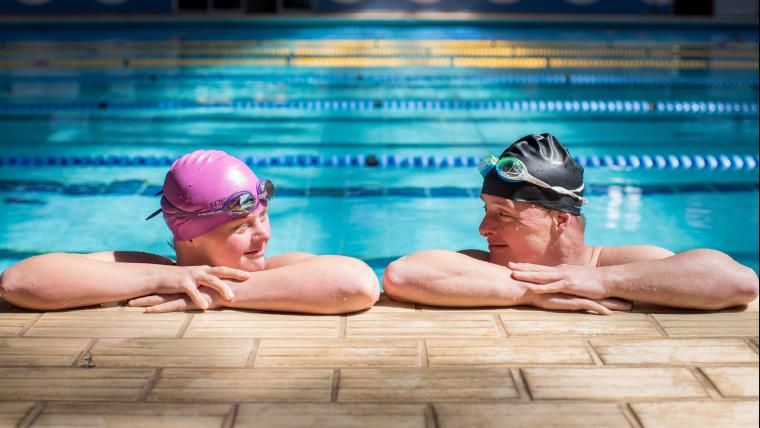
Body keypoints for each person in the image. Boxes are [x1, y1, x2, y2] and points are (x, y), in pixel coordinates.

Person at [383, 133, 758, 314]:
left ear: (560, 219)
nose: (484, 229)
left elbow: (738, 282)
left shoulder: (620, 264)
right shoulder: (484, 267)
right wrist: (535, 291)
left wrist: (603, 281)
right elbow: (402, 275)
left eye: (503, 213)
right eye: (485, 209)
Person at [0, 150, 379, 314]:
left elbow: (360, 284)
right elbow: (19, 281)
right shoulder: (147, 270)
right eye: (242, 226)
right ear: (189, 235)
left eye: (263, 218)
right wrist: (169, 277)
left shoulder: (282, 271)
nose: (262, 236)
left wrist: (220, 295)